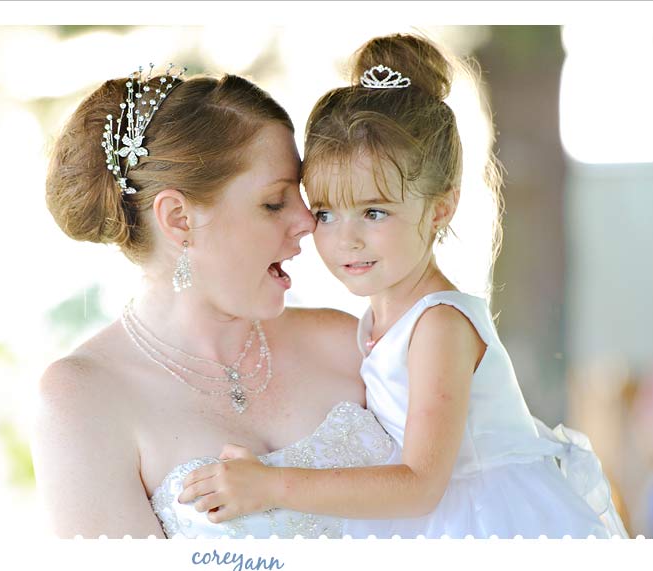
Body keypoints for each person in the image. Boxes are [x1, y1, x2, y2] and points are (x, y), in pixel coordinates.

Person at [178, 35, 629, 539]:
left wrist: (270, 485)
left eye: (374, 211)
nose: (345, 239)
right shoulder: (378, 321)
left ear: (440, 207)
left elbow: (419, 484)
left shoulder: (438, 323)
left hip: (489, 528)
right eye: (325, 213)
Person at [31, 64, 398, 539]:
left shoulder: (347, 340)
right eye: (274, 202)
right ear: (180, 218)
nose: (308, 221)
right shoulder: (83, 400)